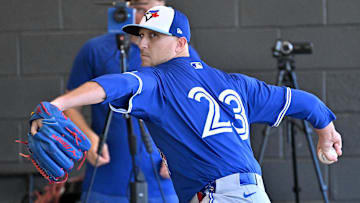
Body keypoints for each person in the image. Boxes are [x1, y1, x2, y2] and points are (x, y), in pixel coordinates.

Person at [31, 6, 343, 203]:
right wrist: (326, 131)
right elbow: (304, 102)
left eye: (153, 37)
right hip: (250, 192)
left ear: (181, 44)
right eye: (141, 35)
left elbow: (114, 85)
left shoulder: (158, 79)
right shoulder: (235, 82)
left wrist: (58, 104)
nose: (142, 43)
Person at [65, 0, 200, 202]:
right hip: (106, 178)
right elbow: (70, 105)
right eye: (134, 9)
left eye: (146, 9)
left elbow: (198, 109)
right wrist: (89, 138)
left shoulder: (177, 50)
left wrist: (184, 152)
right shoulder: (95, 49)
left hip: (164, 181)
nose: (141, 17)